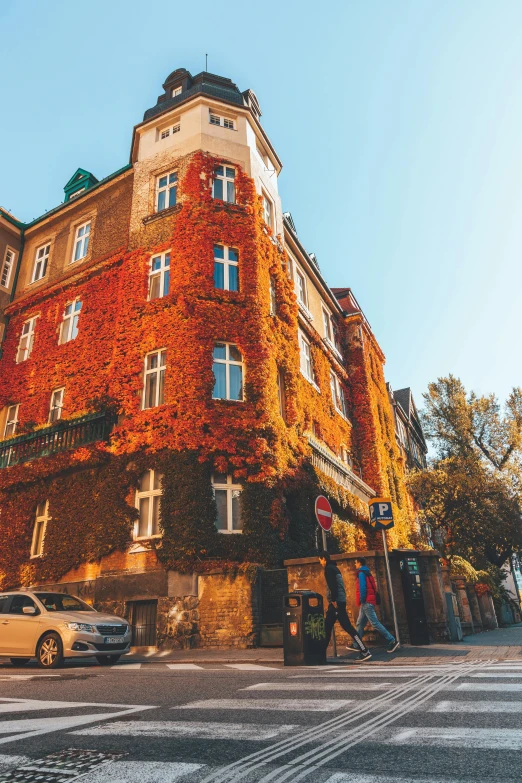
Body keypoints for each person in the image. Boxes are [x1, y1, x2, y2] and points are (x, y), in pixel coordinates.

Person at [318, 551, 372, 662]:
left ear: (323, 558)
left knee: (343, 628)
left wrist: (333, 600)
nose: (320, 563)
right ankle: (320, 654)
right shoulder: (335, 568)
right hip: (339, 602)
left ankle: (364, 650)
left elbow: (333, 586)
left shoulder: (328, 569)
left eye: (320, 560)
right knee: (329, 627)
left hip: (336, 603)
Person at [346, 557, 400, 653]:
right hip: (368, 602)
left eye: (356, 563)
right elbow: (373, 586)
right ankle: (356, 644)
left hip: (366, 602)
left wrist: (362, 600)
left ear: (359, 563)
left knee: (375, 623)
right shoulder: (368, 573)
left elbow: (363, 588)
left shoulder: (361, 573)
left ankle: (392, 640)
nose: (355, 565)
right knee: (360, 623)